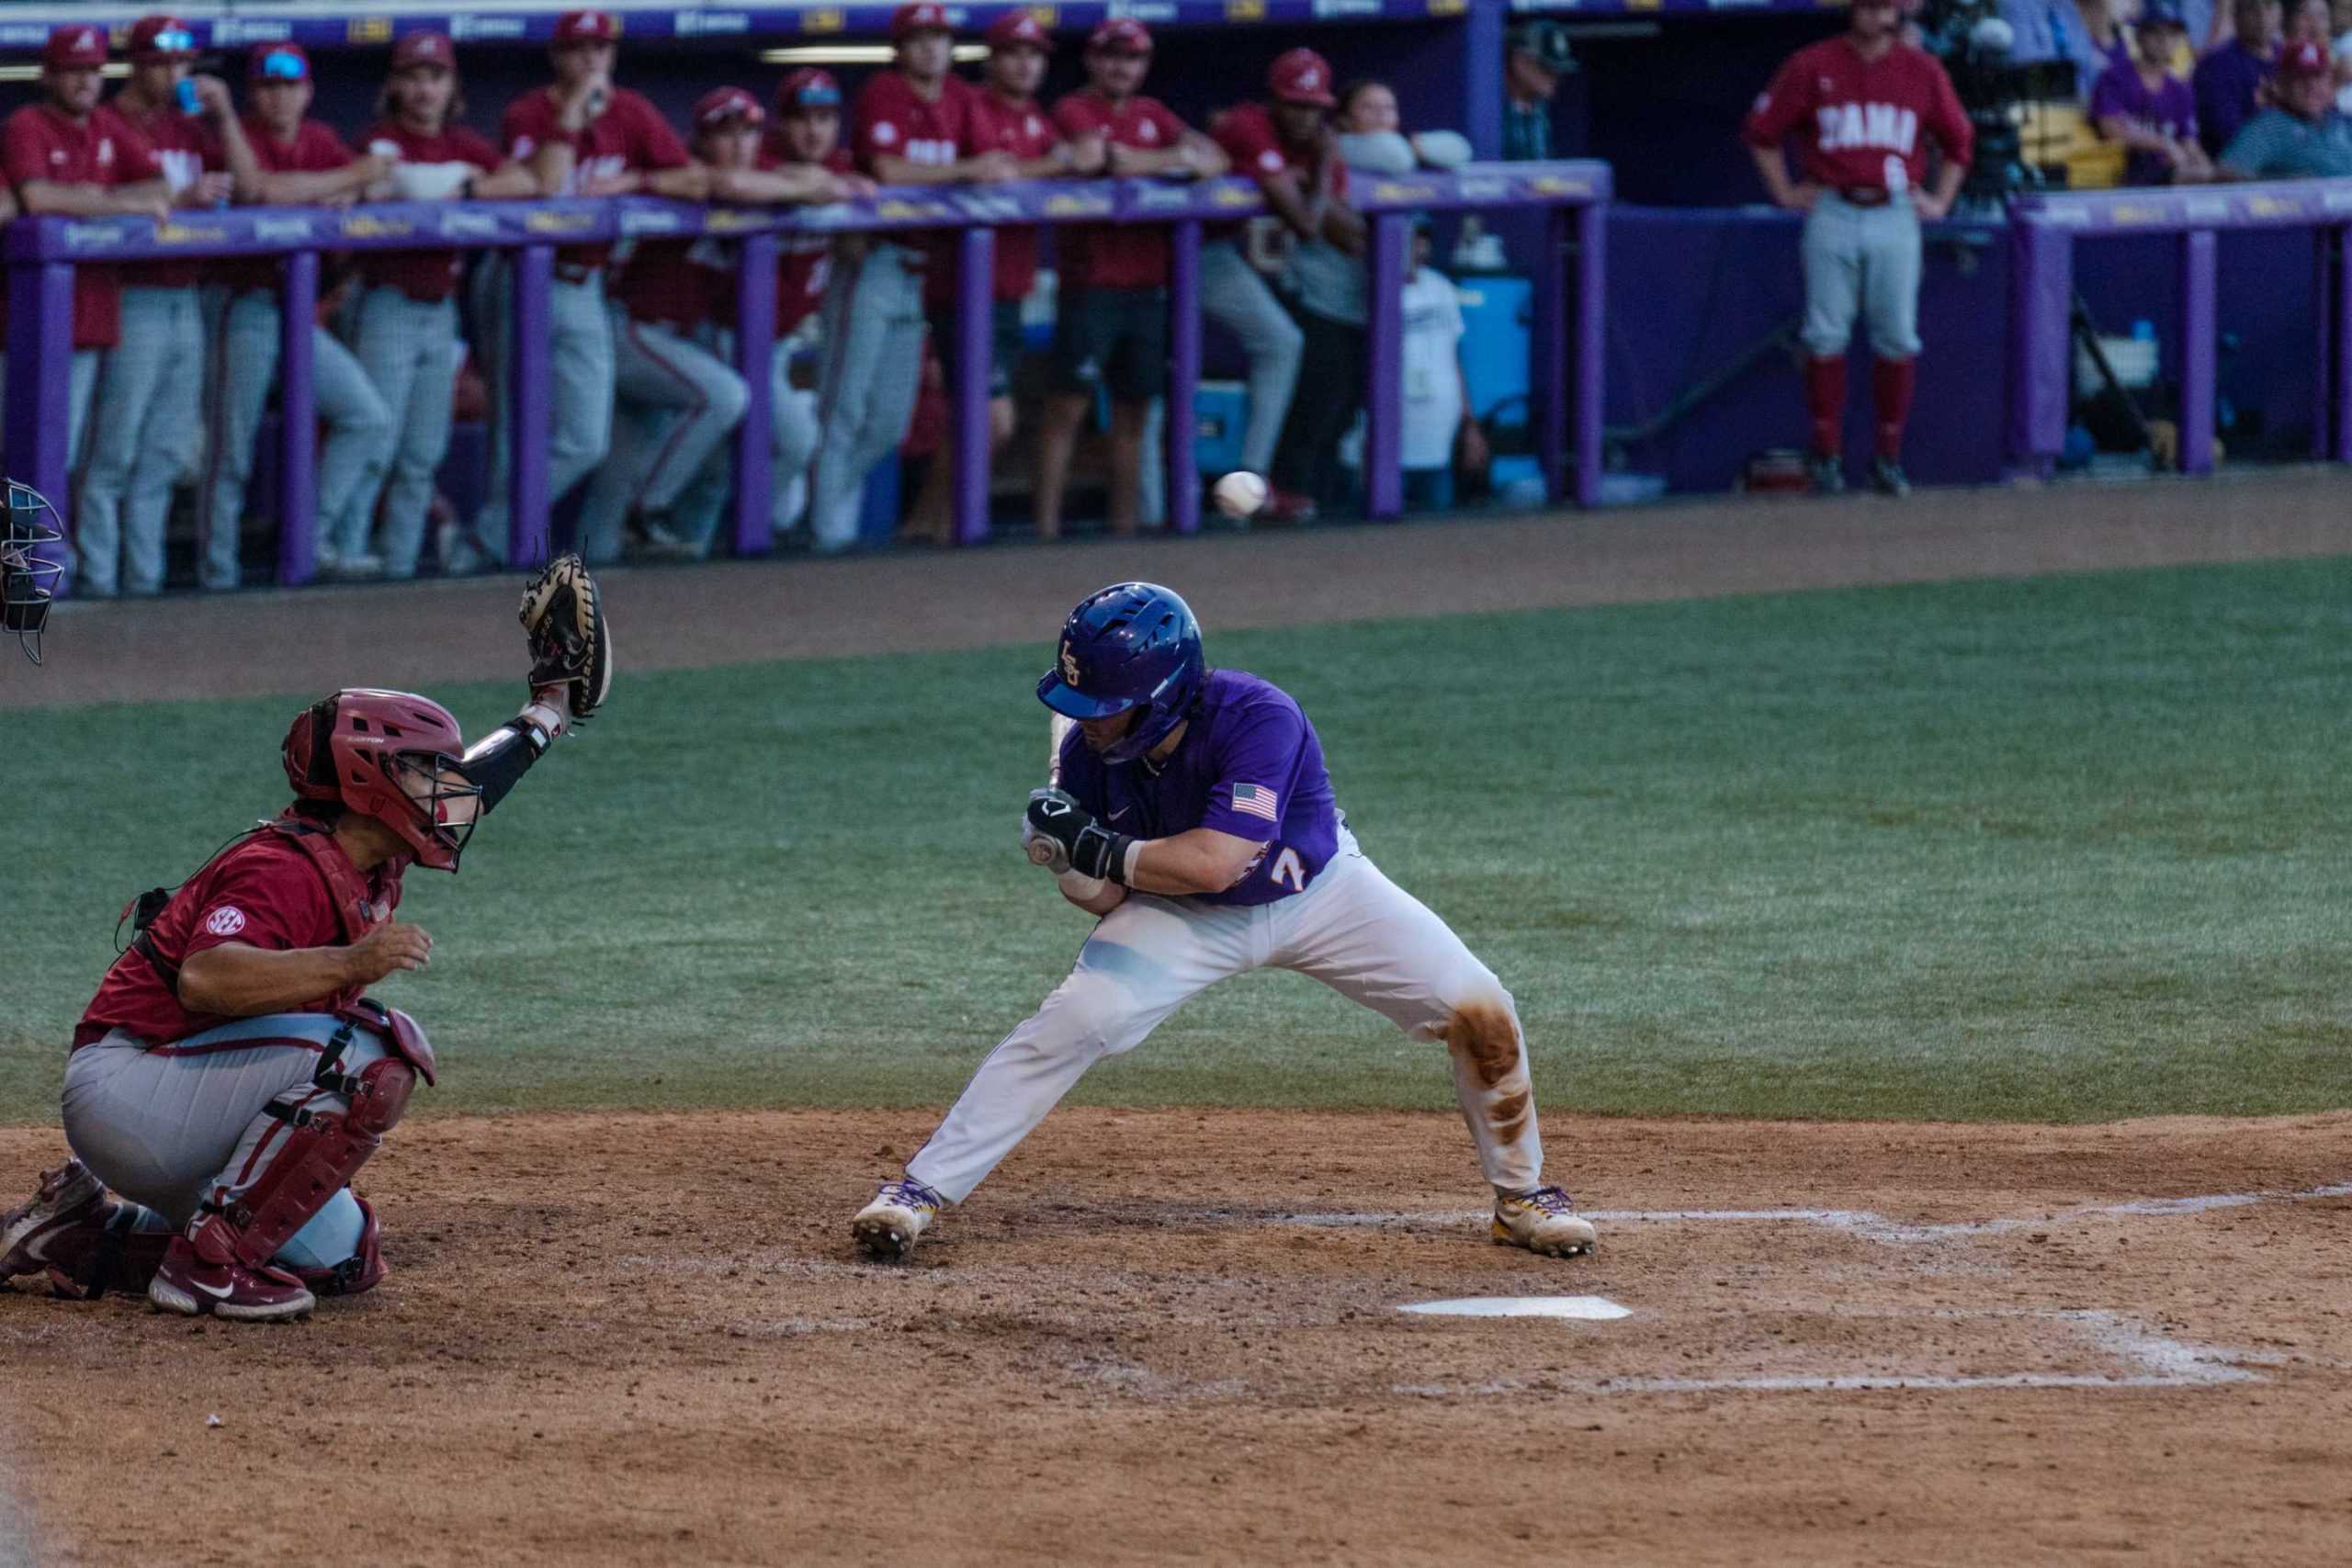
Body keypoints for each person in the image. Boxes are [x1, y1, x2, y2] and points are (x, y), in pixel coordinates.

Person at [849, 581, 1596, 1264]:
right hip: (1181, 920)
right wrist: (1068, 863)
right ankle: (918, 1190)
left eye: (1108, 708)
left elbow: (1217, 861)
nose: (1092, 724)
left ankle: (1521, 1196)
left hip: (1321, 895)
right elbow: (1112, 898)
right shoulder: (1086, 755)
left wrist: (1098, 846)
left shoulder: (1258, 716)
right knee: (1077, 1016)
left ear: (1165, 696)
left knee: (1477, 1001)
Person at [0, 558, 610, 1321]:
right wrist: (353, 963)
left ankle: (80, 1234)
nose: (443, 790)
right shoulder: (278, 868)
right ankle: (204, 1265)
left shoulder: (375, 849)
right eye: (424, 773)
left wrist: (547, 709)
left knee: (343, 1258)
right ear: (370, 784)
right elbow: (207, 980)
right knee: (374, 1050)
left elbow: (480, 782)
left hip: (189, 1087)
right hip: (128, 1084)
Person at [445, 8, 704, 577]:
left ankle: (485, 539)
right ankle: (503, 553)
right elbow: (544, 182)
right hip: (520, 279)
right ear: (557, 57)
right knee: (514, 426)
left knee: (587, 438)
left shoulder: (632, 111)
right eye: (580, 49)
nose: (592, 60)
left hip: (584, 286)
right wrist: (568, 114)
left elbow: (694, 180)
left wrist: (634, 180)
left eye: (602, 50)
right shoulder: (529, 111)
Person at [579, 85, 860, 562]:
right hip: (630, 328)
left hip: (675, 346)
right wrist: (800, 187)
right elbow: (729, 185)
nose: (739, 144)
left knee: (620, 481)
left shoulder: (763, 178)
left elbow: (827, 185)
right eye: (725, 134)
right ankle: (647, 514)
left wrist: (799, 185)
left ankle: (655, 545)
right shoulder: (688, 177)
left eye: (748, 132)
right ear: (701, 141)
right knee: (722, 396)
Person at [1744, 0, 1973, 498]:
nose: (1876, 15)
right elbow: (1761, 133)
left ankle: (1887, 459)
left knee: (1896, 335)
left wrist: (1941, 201)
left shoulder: (1921, 70)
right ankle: (1827, 455)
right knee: (1825, 333)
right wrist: (1784, 192)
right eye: (1868, 5)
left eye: (1884, 6)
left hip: (1894, 209)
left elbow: (1959, 142)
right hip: (1833, 205)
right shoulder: (1813, 64)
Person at [808, 3, 1009, 555]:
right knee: (843, 410)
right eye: (918, 38)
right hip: (872, 263)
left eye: (939, 38)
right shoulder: (884, 91)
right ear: (900, 47)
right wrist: (962, 172)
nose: (930, 48)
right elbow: (890, 171)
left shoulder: (962, 98)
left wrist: (967, 171)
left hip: (918, 275)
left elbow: (995, 166)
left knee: (890, 426)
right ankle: (824, 538)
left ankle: (819, 521)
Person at [196, 44, 395, 590]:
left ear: (307, 91)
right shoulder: (235, 137)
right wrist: (345, 179)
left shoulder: (320, 140)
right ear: (253, 93)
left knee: (367, 417)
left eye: (289, 86)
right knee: (230, 451)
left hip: (295, 313)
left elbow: (376, 185)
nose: (279, 97)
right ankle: (218, 574)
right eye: (267, 86)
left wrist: (352, 184)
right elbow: (260, 191)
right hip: (241, 305)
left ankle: (308, 541)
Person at [901, 11, 1097, 546]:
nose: (1025, 63)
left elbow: (1061, 160)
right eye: (1013, 52)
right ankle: (941, 528)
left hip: (1009, 289)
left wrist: (1059, 160)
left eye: (1034, 54)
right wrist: (1054, 165)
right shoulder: (971, 106)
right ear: (993, 58)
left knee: (974, 421)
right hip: (963, 288)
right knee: (991, 421)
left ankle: (930, 528)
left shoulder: (1037, 116)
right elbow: (995, 172)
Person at [350, 31, 537, 581]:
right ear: (395, 85)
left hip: (441, 312)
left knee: (422, 454)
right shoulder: (379, 142)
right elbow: (387, 185)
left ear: (451, 85)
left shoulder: (466, 145)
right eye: (413, 76)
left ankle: (399, 567)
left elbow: (527, 180)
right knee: (376, 446)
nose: (424, 88)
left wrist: (474, 190)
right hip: (385, 305)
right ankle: (341, 553)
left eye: (435, 77)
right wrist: (448, 184)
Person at [77, 16, 252, 600]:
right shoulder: (106, 122)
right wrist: (176, 199)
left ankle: (143, 582)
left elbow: (248, 190)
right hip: (134, 296)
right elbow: (98, 203)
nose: (172, 73)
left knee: (167, 450)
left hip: (188, 298)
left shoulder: (192, 127)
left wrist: (225, 116)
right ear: (136, 63)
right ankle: (100, 581)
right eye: (158, 62)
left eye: (180, 62)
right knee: (114, 450)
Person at [1035, 21, 1227, 540]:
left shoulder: (1152, 114)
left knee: (1134, 416)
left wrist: (1157, 160)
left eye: (1133, 59)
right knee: (1066, 410)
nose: (1122, 67)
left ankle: (1124, 531)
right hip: (1090, 283)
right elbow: (1102, 160)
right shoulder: (1074, 108)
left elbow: (1216, 160)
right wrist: (1173, 162)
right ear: (1093, 61)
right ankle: (1044, 533)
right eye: (1112, 57)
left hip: (1147, 287)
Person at [0, 24, 170, 589]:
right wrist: (116, 202)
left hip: (96, 319)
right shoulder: (25, 124)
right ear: (48, 75)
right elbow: (37, 199)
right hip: (34, 328)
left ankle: (54, 579)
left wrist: (105, 202)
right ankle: (31, 584)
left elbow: (158, 190)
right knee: (32, 462)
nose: (83, 81)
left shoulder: (107, 126)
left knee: (74, 460)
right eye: (72, 70)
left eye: (93, 70)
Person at [1202, 51, 1356, 524]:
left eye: (1313, 106)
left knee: (1282, 342)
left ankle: (1249, 486)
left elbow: (1349, 232)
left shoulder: (1310, 143)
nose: (1303, 116)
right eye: (1294, 103)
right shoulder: (1251, 127)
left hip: (1216, 253)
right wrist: (1326, 159)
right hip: (1173, 251)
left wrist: (1318, 176)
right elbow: (1309, 224)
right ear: (1274, 101)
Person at [1397, 220, 1486, 511]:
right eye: (1412, 241)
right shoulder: (1376, 290)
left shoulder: (1440, 287)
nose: (1419, 249)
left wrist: (1469, 425)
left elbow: (1454, 359)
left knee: (1435, 535)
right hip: (1389, 444)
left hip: (1438, 439)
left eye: (1423, 240)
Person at [2092, 6, 2217, 182]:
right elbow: (2110, 128)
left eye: (2172, 34)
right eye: (2156, 33)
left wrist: (2206, 169)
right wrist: (2163, 144)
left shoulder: (2180, 89)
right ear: (2139, 36)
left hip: (2167, 172)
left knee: (2216, 174)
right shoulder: (2115, 77)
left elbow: (2189, 141)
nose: (2164, 40)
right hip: (2121, 171)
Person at [2218, 38, 2352, 172]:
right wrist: (2284, 185)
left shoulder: (2343, 122)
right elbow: (2228, 173)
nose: (2311, 86)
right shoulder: (2269, 127)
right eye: (2300, 78)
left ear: (2331, 83)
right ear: (2283, 85)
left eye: (2318, 77)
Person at [2195, 0, 2280, 156]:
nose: (2262, 17)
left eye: (2269, 7)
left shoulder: (2289, 57)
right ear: (2236, 16)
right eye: (2251, 9)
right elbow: (2225, 131)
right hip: (2237, 163)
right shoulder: (2216, 65)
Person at [1503, 21, 1574, 162]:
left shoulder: (1539, 107)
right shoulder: (1487, 106)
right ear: (1521, 62)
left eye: (1558, 70)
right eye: (1547, 68)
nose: (1555, 77)